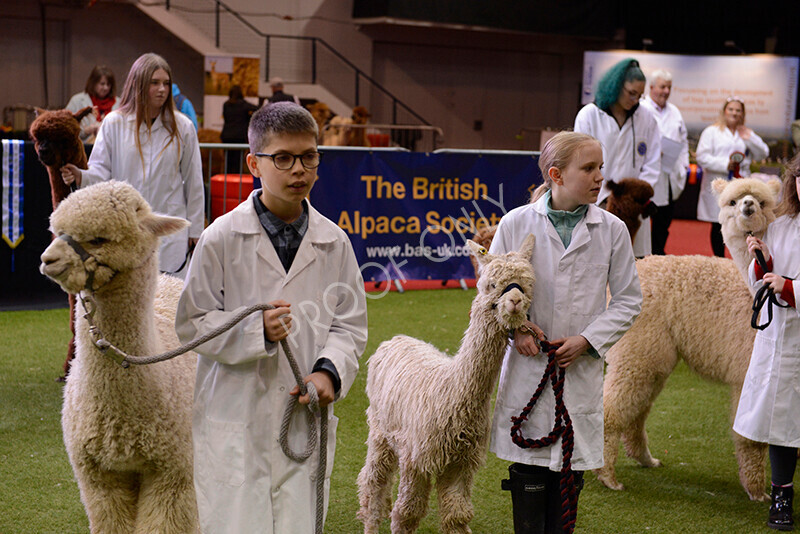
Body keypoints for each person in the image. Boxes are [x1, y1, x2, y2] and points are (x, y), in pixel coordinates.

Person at [174, 101, 368, 534]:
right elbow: (192, 325)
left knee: (298, 521)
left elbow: (348, 326)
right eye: (282, 158)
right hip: (234, 417)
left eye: (309, 156)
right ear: (254, 164)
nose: (298, 169)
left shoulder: (334, 243)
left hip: (301, 417)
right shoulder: (220, 238)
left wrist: (328, 374)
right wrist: (252, 330)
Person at [489, 131, 642, 532]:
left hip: (578, 374)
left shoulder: (612, 231)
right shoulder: (516, 223)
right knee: (529, 469)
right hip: (529, 370)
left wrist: (588, 341)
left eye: (600, 168)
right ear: (556, 174)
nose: (599, 178)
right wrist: (517, 329)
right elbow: (492, 289)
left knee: (569, 473)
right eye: (588, 168)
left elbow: (628, 299)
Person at [60, 53, 205, 278]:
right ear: (138, 84)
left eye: (166, 83)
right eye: (154, 83)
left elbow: (194, 180)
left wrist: (195, 229)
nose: (162, 89)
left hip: (168, 229)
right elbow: (100, 171)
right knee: (129, 300)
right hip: (125, 228)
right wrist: (79, 175)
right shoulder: (113, 123)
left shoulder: (183, 127)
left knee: (168, 301)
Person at [733, 154, 800, 531]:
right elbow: (759, 280)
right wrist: (761, 259)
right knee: (782, 420)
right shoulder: (783, 225)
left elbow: (785, 284)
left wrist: (790, 288)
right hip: (780, 339)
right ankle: (781, 495)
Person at [574, 58, 661, 257]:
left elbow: (652, 163)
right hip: (598, 202)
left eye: (639, 95)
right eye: (631, 93)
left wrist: (638, 196)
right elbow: (581, 162)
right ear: (615, 86)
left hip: (635, 207)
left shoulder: (647, 118)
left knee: (634, 265)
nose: (635, 100)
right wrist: (605, 196)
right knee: (597, 263)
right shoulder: (589, 115)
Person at [696, 97, 769, 257]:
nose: (734, 113)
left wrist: (749, 138)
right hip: (719, 184)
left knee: (743, 222)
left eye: (738, 110)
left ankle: (742, 258)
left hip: (740, 185)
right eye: (731, 109)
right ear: (724, 111)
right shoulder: (712, 131)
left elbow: (763, 152)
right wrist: (724, 164)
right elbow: (702, 157)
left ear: (742, 113)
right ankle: (719, 258)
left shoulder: (746, 133)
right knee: (719, 223)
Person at [639, 69, 690, 255]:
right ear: (651, 87)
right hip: (648, 174)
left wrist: (684, 165)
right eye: (662, 87)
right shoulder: (641, 109)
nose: (666, 91)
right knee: (644, 219)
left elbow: (683, 141)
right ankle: (644, 256)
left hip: (670, 175)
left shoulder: (675, 112)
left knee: (664, 220)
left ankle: (659, 254)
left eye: (669, 87)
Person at [65, 65, 120, 142]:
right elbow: (66, 129)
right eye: (102, 84)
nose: (106, 88)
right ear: (93, 83)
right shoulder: (77, 101)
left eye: (108, 84)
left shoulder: (119, 103)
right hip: (84, 149)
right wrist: (86, 131)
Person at [221, 84, 258, 173]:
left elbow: (226, 118)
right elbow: (257, 108)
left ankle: (227, 180)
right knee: (238, 162)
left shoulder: (226, 105)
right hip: (239, 137)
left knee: (228, 162)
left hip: (227, 136)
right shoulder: (244, 105)